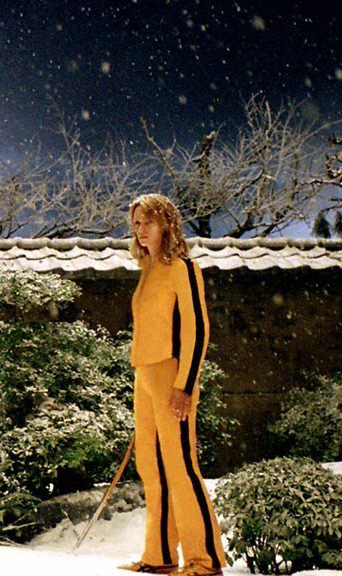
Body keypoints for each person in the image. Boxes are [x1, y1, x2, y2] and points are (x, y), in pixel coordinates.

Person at [119, 194, 227, 576]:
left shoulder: (183, 268)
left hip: (171, 377)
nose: (141, 230)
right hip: (144, 374)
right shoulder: (147, 268)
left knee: (181, 466)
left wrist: (184, 386)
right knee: (151, 467)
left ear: (166, 224)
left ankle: (204, 559)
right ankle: (160, 554)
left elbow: (197, 331)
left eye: (148, 222)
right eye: (136, 223)